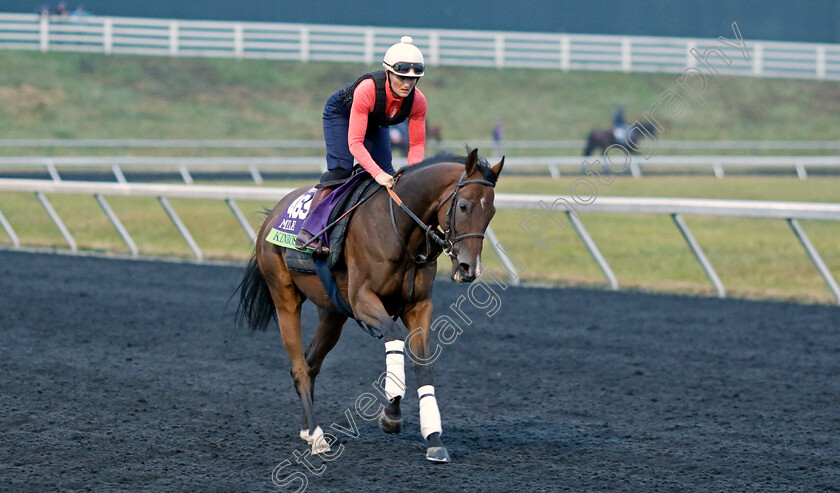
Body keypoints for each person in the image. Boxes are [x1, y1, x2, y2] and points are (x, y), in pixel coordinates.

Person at [295, 36, 428, 255]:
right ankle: (310, 231)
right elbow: (355, 143)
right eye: (401, 77)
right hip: (341, 115)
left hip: (375, 121)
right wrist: (376, 173)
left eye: (413, 79)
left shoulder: (418, 101)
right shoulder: (367, 89)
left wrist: (415, 175)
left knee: (390, 175)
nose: (407, 84)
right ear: (388, 73)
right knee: (341, 169)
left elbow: (417, 144)